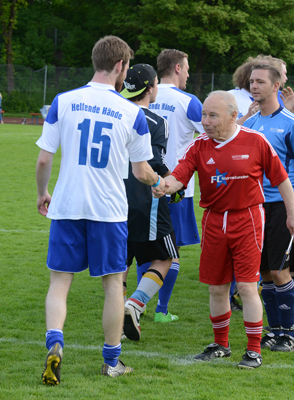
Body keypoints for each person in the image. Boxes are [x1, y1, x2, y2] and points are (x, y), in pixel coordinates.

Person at [36, 36, 166, 384]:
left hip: (66, 206)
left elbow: (45, 158)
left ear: (96, 61)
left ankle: (55, 343)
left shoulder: (64, 101)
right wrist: (159, 182)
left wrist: (42, 193)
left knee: (60, 283)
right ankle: (111, 362)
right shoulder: (132, 112)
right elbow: (141, 171)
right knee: (113, 286)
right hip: (108, 211)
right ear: (122, 66)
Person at [164, 91, 294, 369]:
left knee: (248, 287)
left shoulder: (255, 141)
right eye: (203, 115)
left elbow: (282, 179)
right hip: (213, 221)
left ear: (233, 116)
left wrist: (292, 216)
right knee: (217, 288)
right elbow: (179, 176)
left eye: (212, 115)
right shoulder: (198, 146)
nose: (205, 121)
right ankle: (221, 345)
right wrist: (162, 186)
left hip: (247, 219)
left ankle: (252, 350)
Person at [243, 63, 294, 351]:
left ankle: (289, 332)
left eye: (260, 81)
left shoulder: (292, 123)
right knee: (262, 272)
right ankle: (274, 330)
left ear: (276, 86)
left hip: (283, 205)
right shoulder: (249, 124)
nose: (254, 86)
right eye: (252, 81)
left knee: (279, 270)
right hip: (255, 207)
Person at [117, 64, 181, 342]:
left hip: (112, 200)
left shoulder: (113, 112)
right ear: (151, 87)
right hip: (146, 199)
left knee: (121, 262)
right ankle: (136, 304)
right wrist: (169, 182)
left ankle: (118, 312)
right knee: (167, 256)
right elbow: (152, 162)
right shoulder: (156, 121)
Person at [143, 49, 203, 321]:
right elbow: (216, 133)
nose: (189, 73)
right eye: (187, 67)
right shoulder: (188, 101)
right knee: (171, 249)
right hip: (175, 187)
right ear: (177, 68)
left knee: (143, 245)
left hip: (141, 182)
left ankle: (138, 304)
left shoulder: (141, 97)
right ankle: (161, 309)